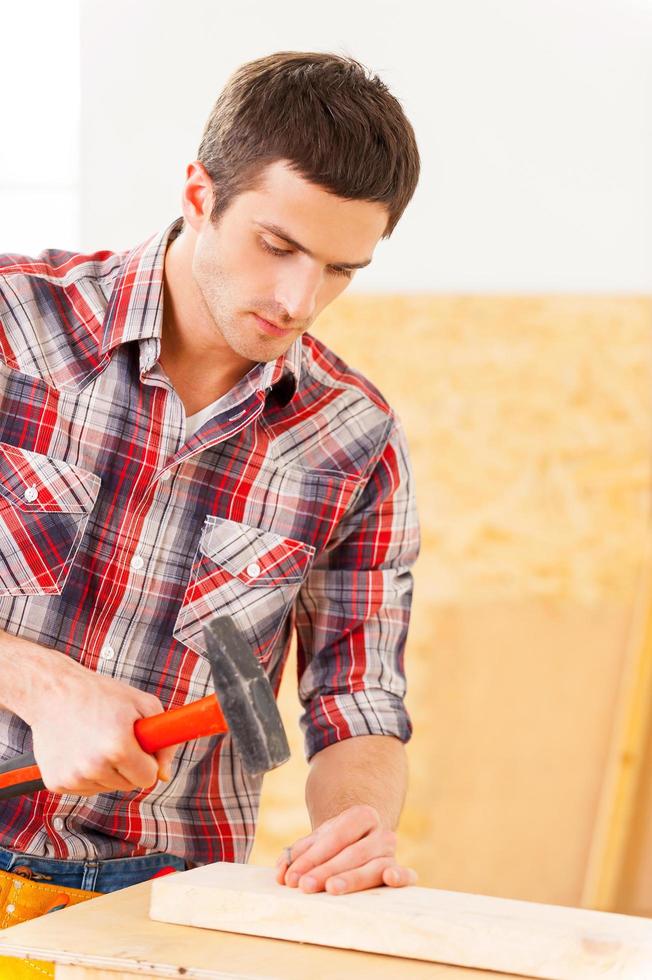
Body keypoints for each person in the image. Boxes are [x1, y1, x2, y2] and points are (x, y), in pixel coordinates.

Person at [0, 48, 421, 937]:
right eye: (278, 245)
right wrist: (41, 687)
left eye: (343, 269)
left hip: (158, 906)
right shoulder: (15, 330)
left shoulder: (353, 442)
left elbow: (359, 700)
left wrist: (360, 824)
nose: (300, 298)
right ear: (199, 193)